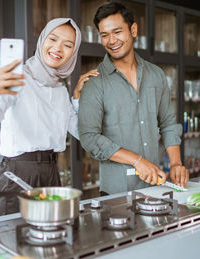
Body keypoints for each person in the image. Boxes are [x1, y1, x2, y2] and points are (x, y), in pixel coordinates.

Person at [0, 18, 98, 216]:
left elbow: (84, 132)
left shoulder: (60, 89)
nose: (58, 48)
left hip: (52, 172)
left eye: (68, 45)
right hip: (17, 173)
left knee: (50, 236)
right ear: (42, 40)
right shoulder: (17, 77)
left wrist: (77, 99)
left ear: (73, 53)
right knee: (11, 238)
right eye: (53, 39)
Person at [78, 3, 189, 195]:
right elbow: (89, 138)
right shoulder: (95, 83)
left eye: (117, 32)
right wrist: (137, 160)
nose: (111, 40)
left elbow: (168, 123)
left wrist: (176, 163)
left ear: (133, 30)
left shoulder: (156, 75)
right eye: (104, 35)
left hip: (155, 187)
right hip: (116, 193)